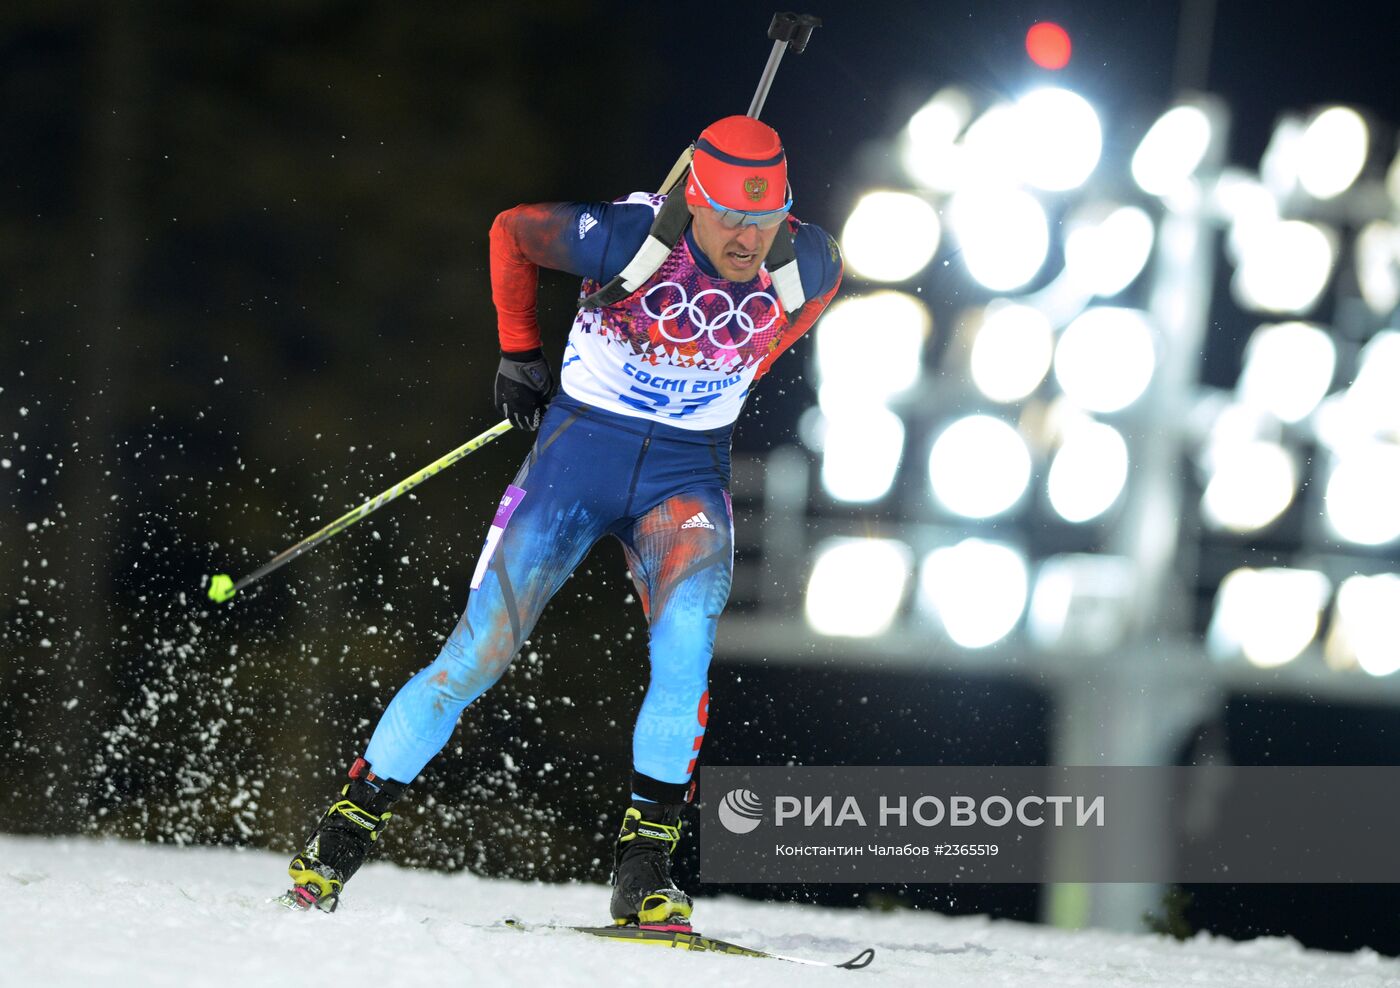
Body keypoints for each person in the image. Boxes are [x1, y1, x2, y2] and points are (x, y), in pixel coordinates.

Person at [279, 115, 843, 925]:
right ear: (695, 196)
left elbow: (823, 286)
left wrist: (745, 365)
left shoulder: (804, 257)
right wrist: (520, 355)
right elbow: (512, 233)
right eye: (729, 217)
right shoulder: (627, 236)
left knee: (685, 656)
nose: (749, 238)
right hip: (576, 465)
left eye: (766, 218)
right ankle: (337, 844)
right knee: (480, 654)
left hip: (683, 482)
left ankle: (644, 870)